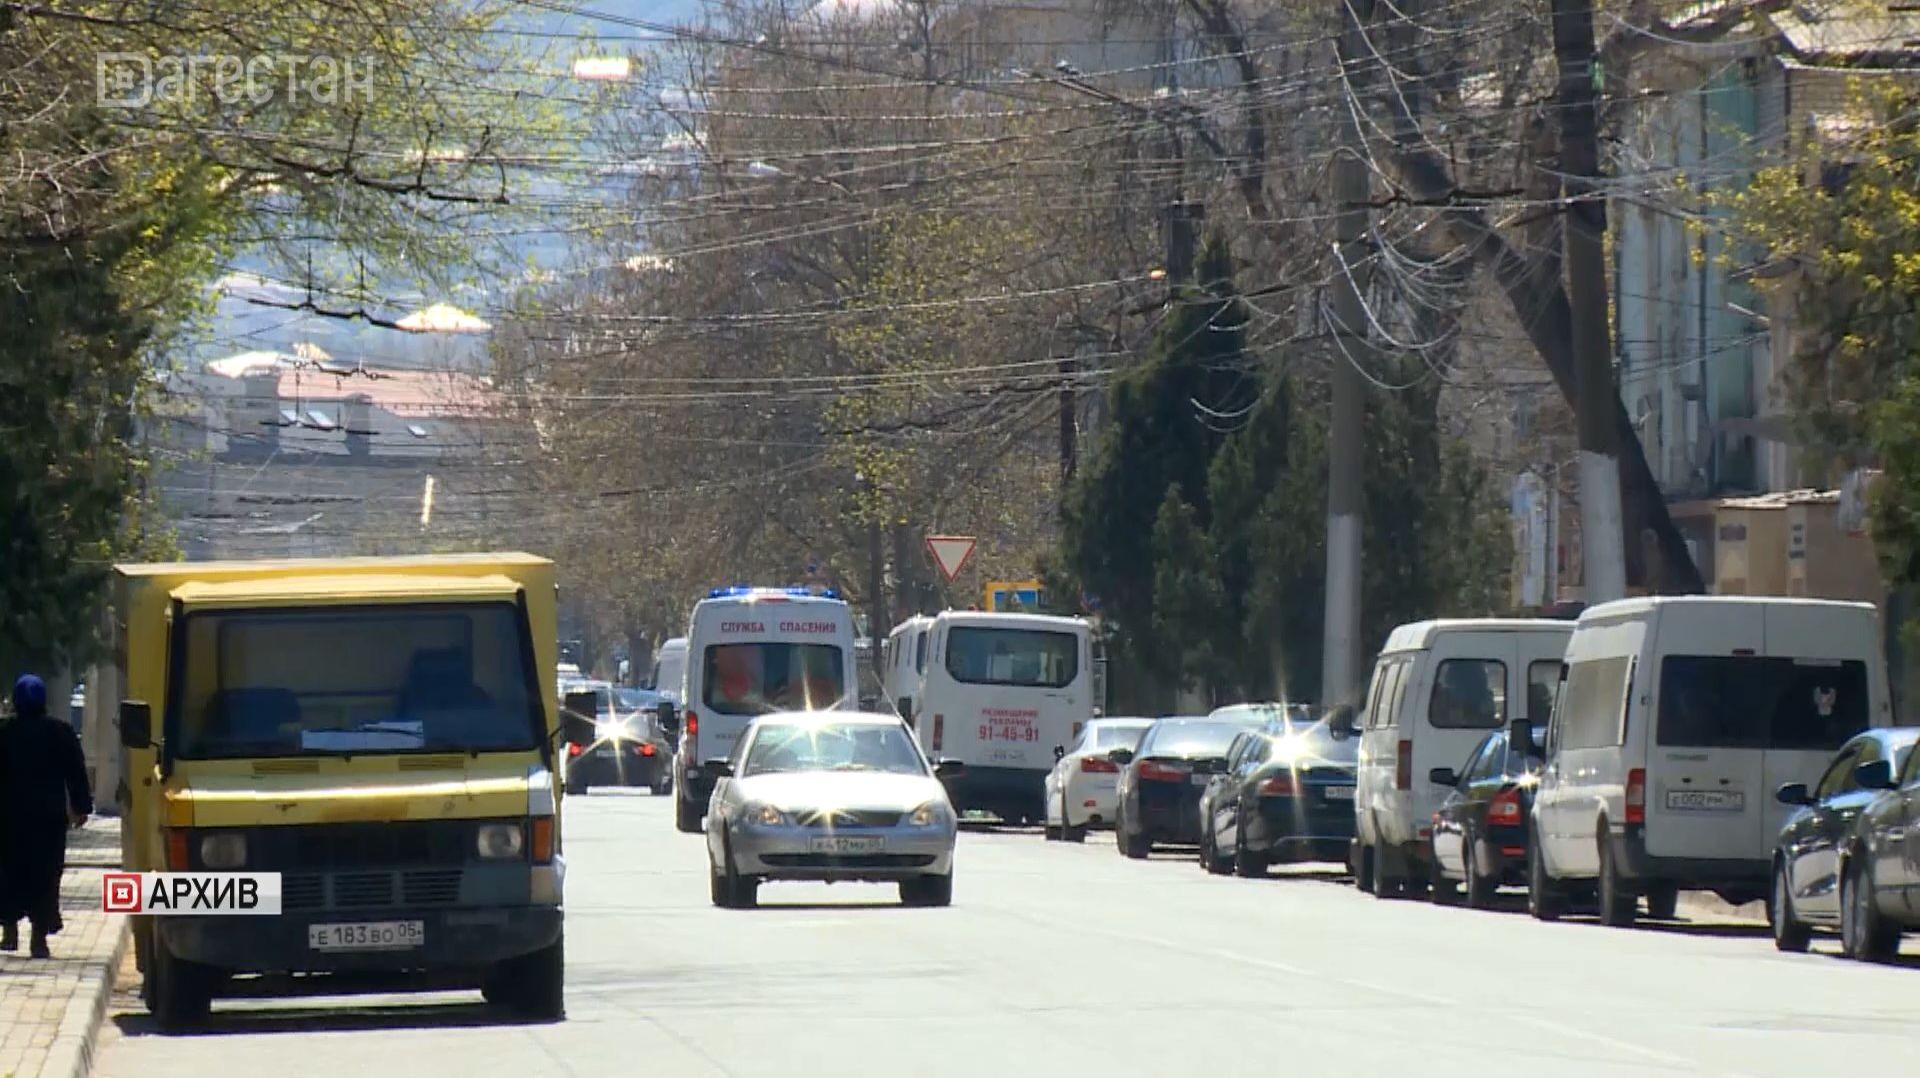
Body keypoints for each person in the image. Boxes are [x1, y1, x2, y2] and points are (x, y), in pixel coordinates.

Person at [0, 675, 93, 958]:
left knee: (8, 874)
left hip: (9, 820)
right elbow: (76, 773)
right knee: (45, 877)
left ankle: (9, 931)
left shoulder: (5, 733)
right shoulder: (60, 732)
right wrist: (81, 807)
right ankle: (38, 938)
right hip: (48, 821)